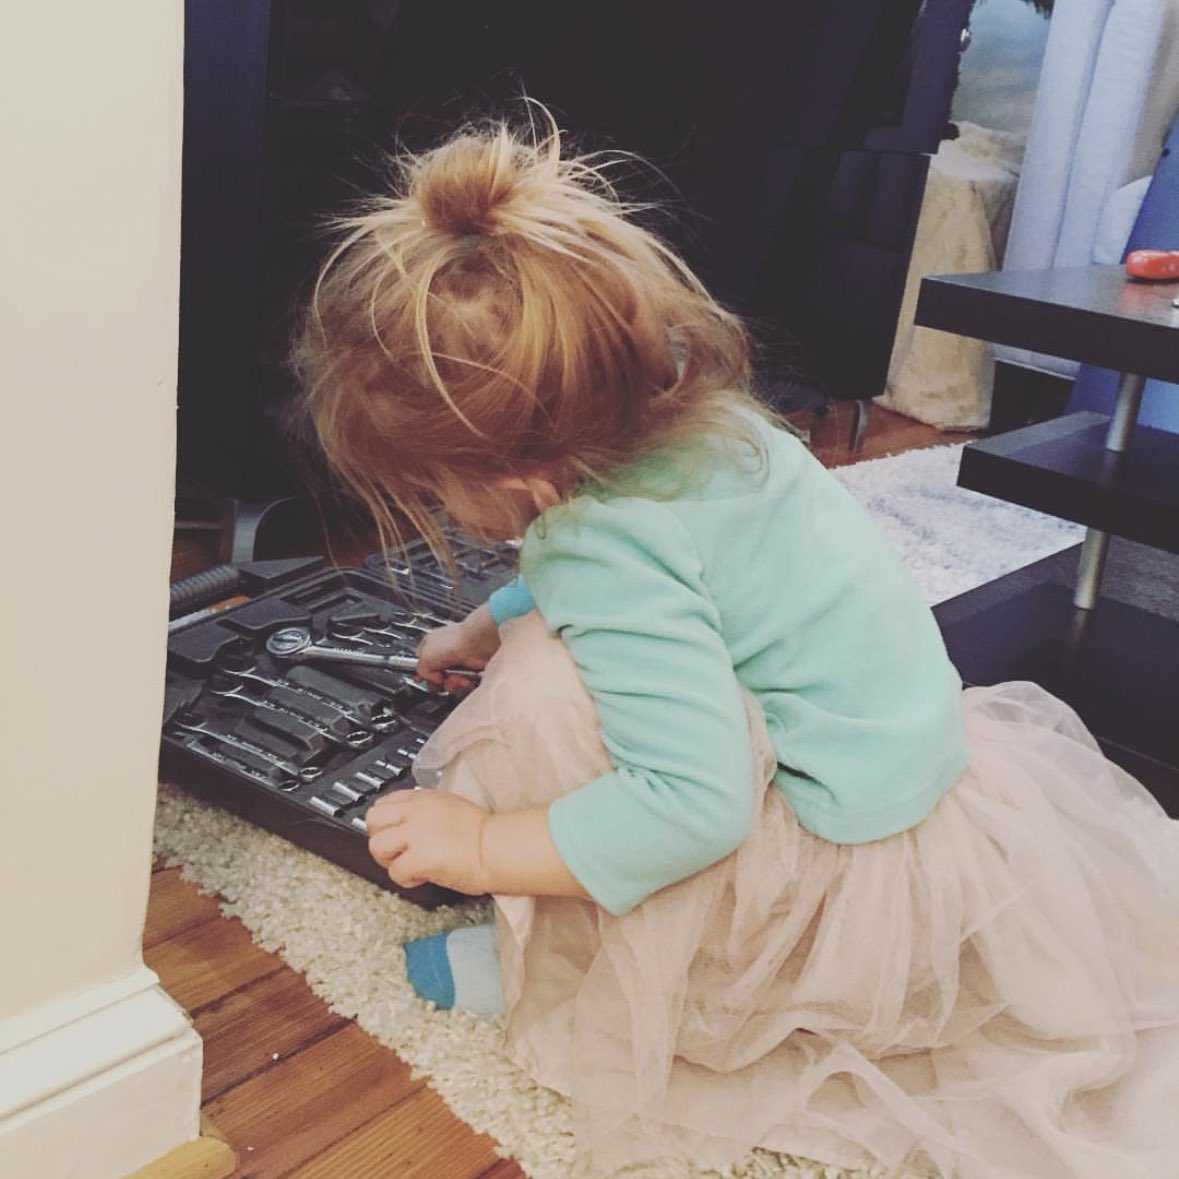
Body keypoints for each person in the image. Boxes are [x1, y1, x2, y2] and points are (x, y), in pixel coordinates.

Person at [291, 107, 1179, 1178]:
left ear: (522, 484)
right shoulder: (708, 426)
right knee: (544, 655)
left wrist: (478, 847)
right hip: (918, 762)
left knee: (543, 700)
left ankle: (617, 977)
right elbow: (673, 572)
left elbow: (691, 806)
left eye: (433, 494)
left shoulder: (605, 549)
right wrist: (489, 617)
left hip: (842, 862)